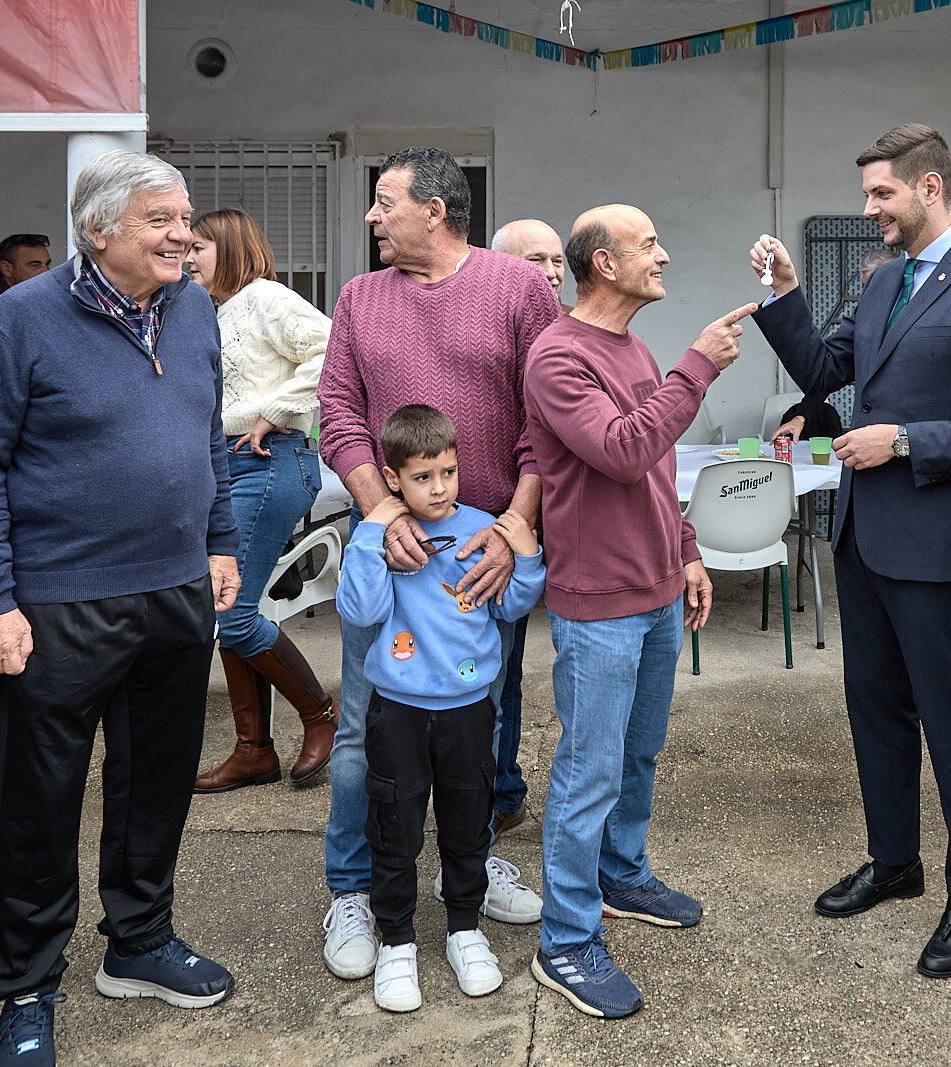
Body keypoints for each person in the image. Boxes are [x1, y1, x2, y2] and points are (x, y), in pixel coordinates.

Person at [0, 150, 241, 1067]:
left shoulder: (192, 309)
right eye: (162, 219)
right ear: (99, 228)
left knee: (156, 780)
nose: (183, 235)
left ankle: (139, 941)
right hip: (57, 604)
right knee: (39, 803)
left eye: (185, 217)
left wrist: (221, 540)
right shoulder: (24, 319)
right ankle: (29, 987)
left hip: (174, 594)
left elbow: (206, 435)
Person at [750, 124, 951, 979]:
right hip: (864, 539)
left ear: (930, 188)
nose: (869, 207)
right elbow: (822, 366)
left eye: (881, 193)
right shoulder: (880, 286)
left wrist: (906, 441)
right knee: (874, 709)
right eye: (868, 192)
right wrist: (786, 294)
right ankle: (895, 862)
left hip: (936, 542)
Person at [316, 146, 558, 982]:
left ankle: (472, 859)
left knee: (483, 719)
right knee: (361, 730)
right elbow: (338, 414)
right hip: (393, 552)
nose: (373, 216)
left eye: (384, 202)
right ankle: (352, 889)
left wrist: (514, 526)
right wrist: (379, 511)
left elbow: (546, 418)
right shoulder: (358, 297)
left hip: (485, 551)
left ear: (436, 210)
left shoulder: (519, 288)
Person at [524, 204, 752, 1018]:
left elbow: (653, 472)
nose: (664, 253)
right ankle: (567, 940)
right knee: (588, 771)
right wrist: (699, 368)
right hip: (599, 605)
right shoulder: (556, 356)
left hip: (655, 590)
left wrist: (685, 547)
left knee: (639, 753)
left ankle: (621, 874)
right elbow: (621, 448)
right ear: (604, 265)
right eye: (648, 243)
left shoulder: (631, 344)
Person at [335, 404, 544, 1013]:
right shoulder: (384, 536)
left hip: (469, 710)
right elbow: (360, 611)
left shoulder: (481, 528)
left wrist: (525, 555)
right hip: (395, 709)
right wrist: (373, 528)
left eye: (448, 472)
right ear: (393, 477)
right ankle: (397, 940)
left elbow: (510, 607)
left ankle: (463, 928)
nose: (439, 487)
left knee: (467, 818)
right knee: (394, 827)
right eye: (423, 477)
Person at [182, 208, 336, 794]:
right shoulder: (211, 311)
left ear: (231, 247)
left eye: (199, 246)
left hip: (267, 465)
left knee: (231, 614)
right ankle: (253, 750)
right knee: (228, 609)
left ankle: (320, 715)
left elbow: (330, 349)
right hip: (227, 468)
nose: (188, 256)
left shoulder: (266, 298)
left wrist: (277, 410)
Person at [488, 216, 571, 840]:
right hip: (496, 526)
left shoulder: (576, 332)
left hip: (548, 534)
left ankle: (500, 788)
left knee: (511, 669)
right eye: (534, 261)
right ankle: (491, 789)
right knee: (486, 667)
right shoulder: (500, 327)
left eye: (557, 261)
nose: (550, 273)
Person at [768, 247, 897, 444]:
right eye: (866, 287)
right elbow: (828, 369)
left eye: (877, 286)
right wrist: (801, 416)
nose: (871, 294)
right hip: (871, 441)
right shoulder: (865, 316)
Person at [492, 217, 569, 313]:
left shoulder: (579, 324)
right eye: (536, 260)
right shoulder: (478, 323)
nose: (551, 273)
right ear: (500, 266)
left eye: (557, 261)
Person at [0, 233, 53, 316]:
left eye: (47, 264)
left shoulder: (42, 298)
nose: (46, 271)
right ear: (6, 269)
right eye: (35, 265)